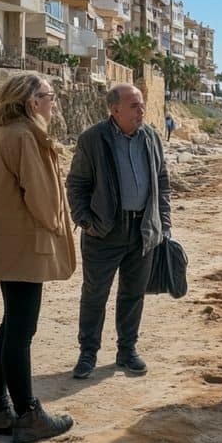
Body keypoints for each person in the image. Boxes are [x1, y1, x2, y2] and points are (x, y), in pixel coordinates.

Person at [0, 73, 77, 443]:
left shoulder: (9, 133)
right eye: (49, 96)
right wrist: (57, 222)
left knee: (11, 325)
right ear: (33, 102)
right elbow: (42, 199)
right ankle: (28, 413)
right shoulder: (25, 136)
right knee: (21, 329)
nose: (53, 103)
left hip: (10, 244)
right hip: (23, 246)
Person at [66, 83, 171, 379]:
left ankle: (127, 351)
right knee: (94, 294)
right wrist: (86, 221)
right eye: (135, 106)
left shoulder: (150, 136)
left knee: (133, 293)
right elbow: (76, 184)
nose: (142, 110)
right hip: (104, 232)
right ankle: (87, 353)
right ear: (115, 110)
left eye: (142, 105)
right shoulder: (93, 139)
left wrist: (162, 220)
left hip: (142, 229)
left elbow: (162, 180)